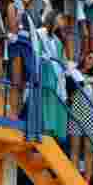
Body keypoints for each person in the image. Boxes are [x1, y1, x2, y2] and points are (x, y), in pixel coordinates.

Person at [65, 50, 93, 184]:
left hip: (90, 113)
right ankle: (74, 178)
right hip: (75, 110)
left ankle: (87, 181)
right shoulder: (73, 72)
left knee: (89, 150)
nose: (90, 61)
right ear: (84, 57)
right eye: (89, 58)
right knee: (75, 147)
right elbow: (69, 90)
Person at [7, 0, 40, 118]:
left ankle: (18, 114)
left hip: (28, 47)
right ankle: (13, 115)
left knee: (23, 85)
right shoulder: (12, 6)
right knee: (16, 82)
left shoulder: (30, 13)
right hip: (17, 45)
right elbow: (13, 28)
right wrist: (20, 11)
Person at [37, 10, 69, 140]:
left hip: (57, 75)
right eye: (61, 18)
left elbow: (62, 60)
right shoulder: (39, 33)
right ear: (53, 18)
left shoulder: (58, 41)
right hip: (45, 72)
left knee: (58, 97)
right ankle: (45, 128)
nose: (63, 22)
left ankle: (53, 132)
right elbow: (37, 52)